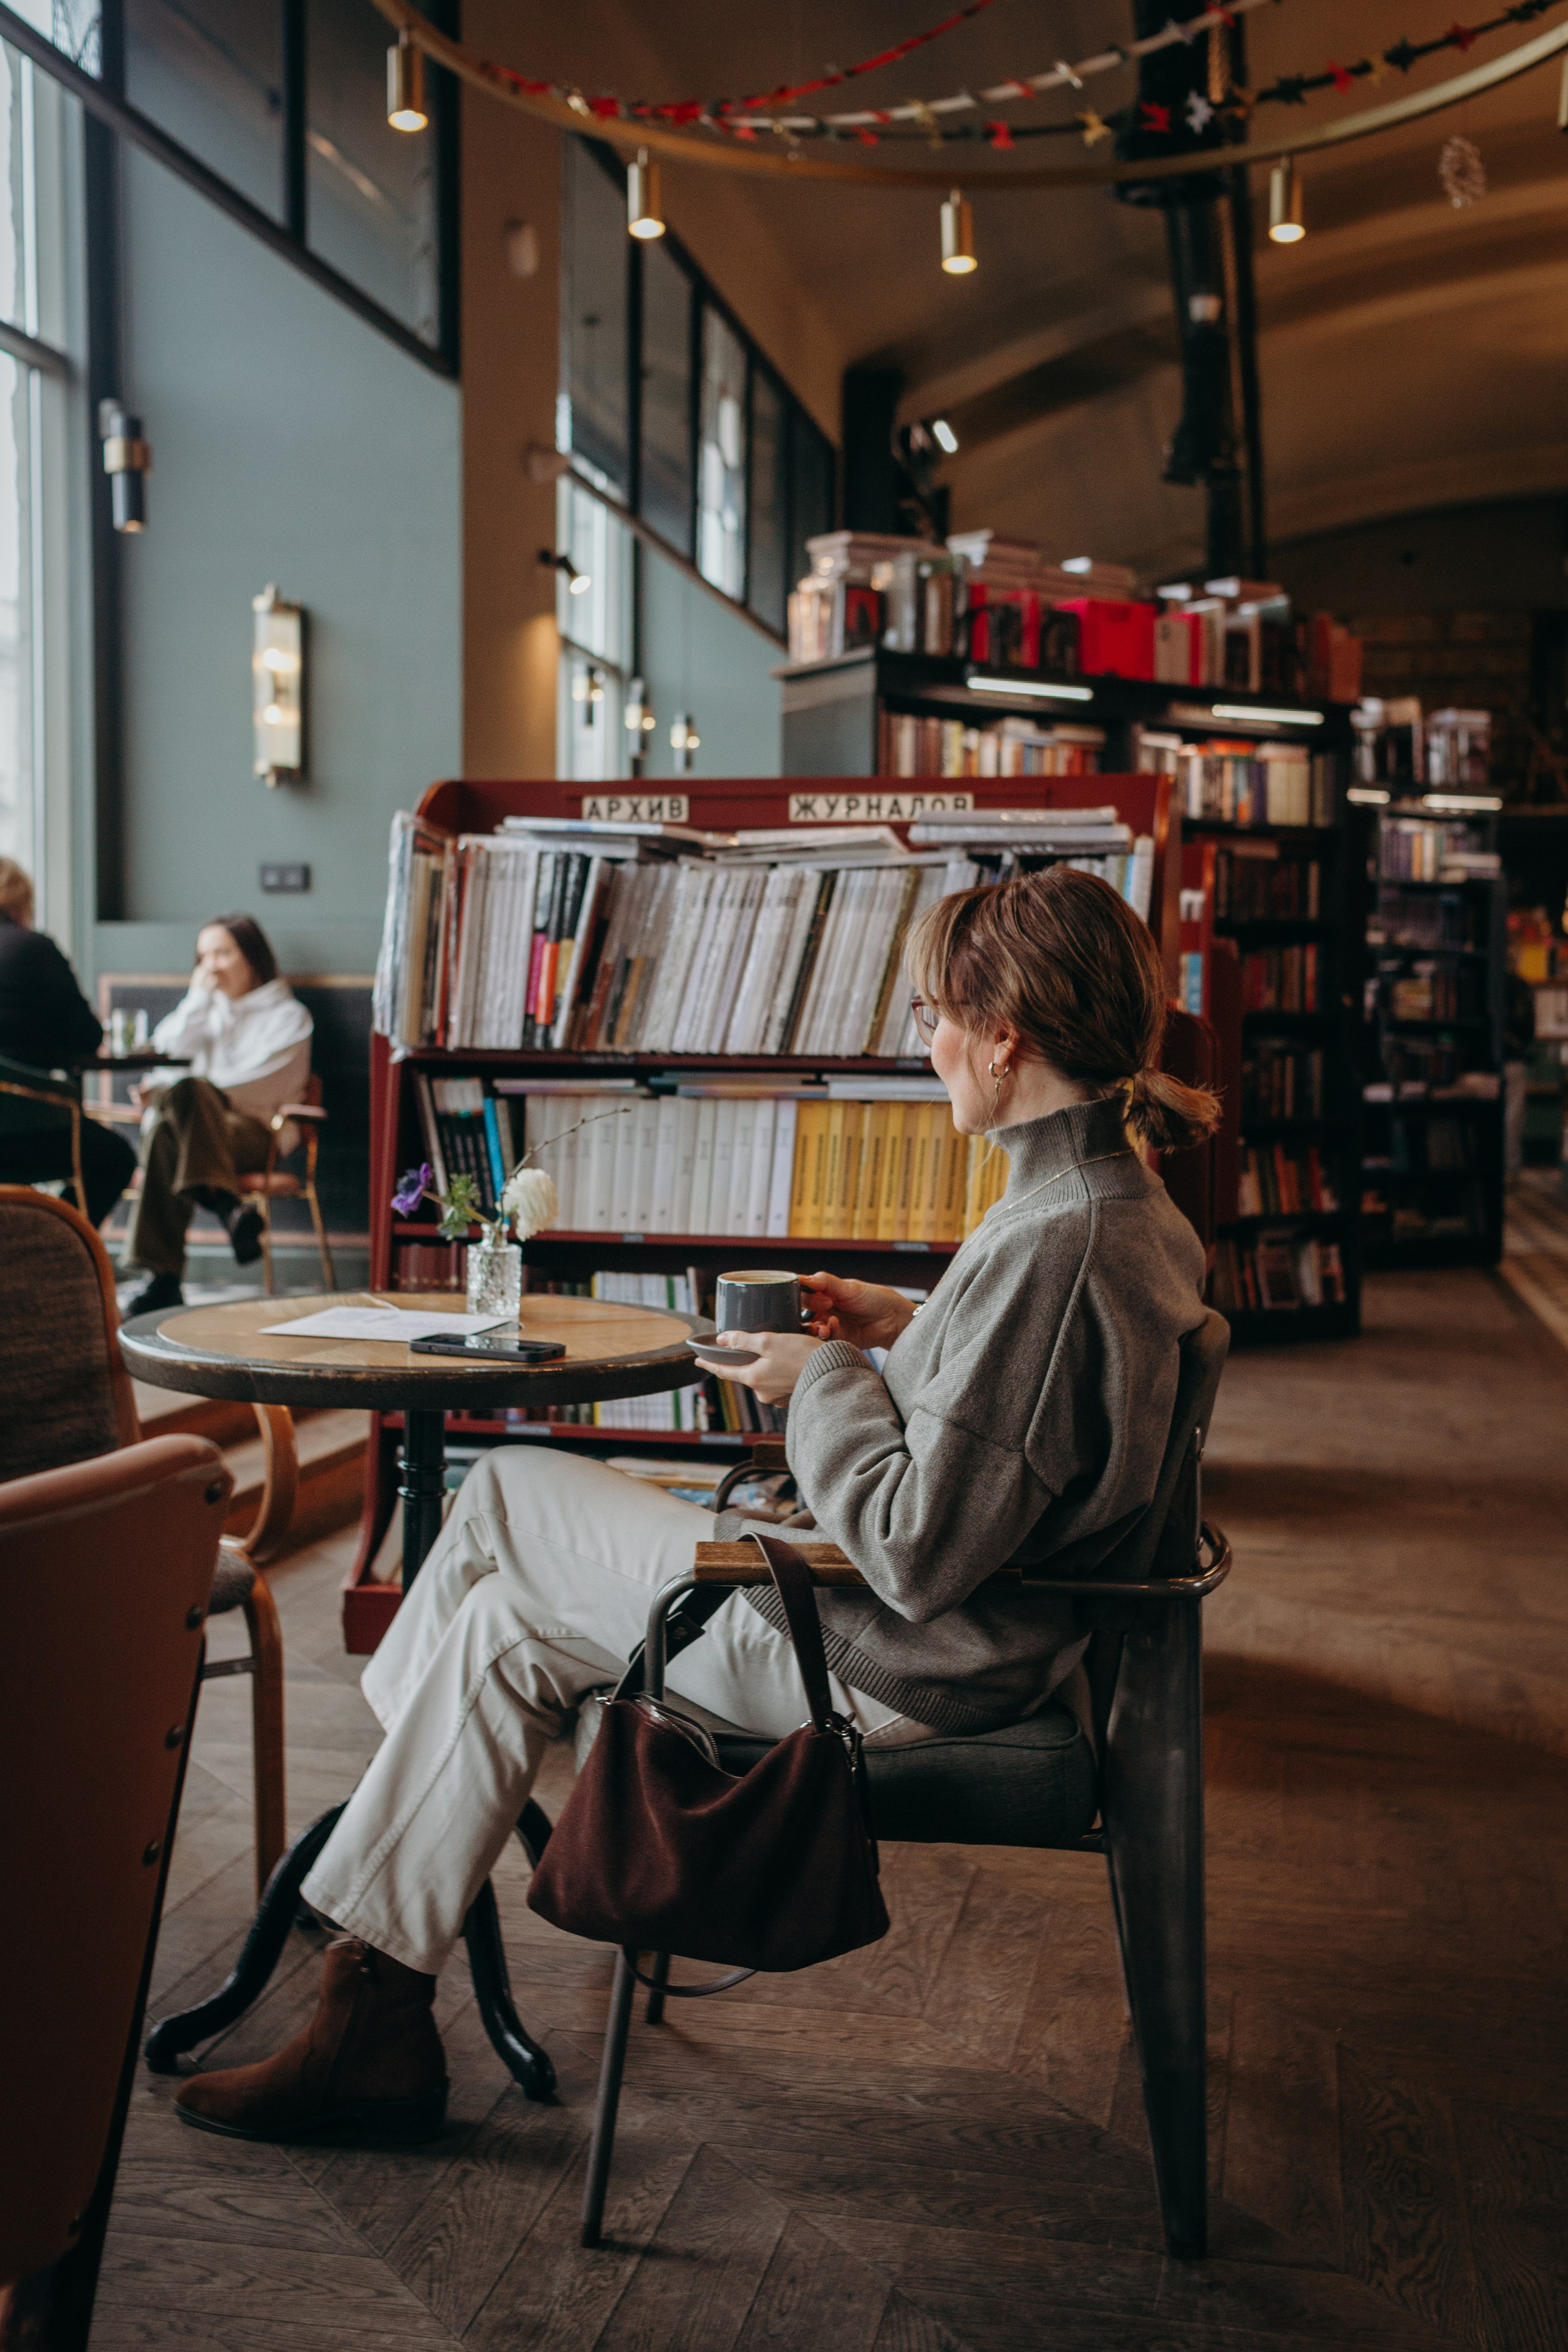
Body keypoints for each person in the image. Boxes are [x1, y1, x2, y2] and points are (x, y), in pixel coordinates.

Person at [173, 865, 1218, 2146]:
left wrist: (816, 1375)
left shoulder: (1056, 1242)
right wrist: (905, 1327)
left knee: (501, 1506)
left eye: (935, 1015)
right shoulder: (1110, 1203)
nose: (928, 1043)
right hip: (927, 1632)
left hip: (895, 1659)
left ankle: (395, 1877)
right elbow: (1019, 1419)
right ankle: (383, 1960)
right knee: (499, 1625)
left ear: (1006, 1039)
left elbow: (917, 1548)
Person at [122, 913, 313, 1316]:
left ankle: (163, 1279)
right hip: (197, 1137)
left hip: (256, 1132)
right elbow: (165, 1050)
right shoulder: (204, 1011)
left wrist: (178, 1093)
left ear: (253, 959)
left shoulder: (289, 1017)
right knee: (169, 1129)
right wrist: (195, 1002)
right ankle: (227, 1208)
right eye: (203, 957)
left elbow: (262, 1083)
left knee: (188, 1094)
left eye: (222, 954)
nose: (211, 966)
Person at [0, 856, 137, 1227]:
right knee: (115, 1159)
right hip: (26, 1126)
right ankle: (50, 1242)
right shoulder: (34, 949)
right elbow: (87, 1037)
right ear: (20, 901)